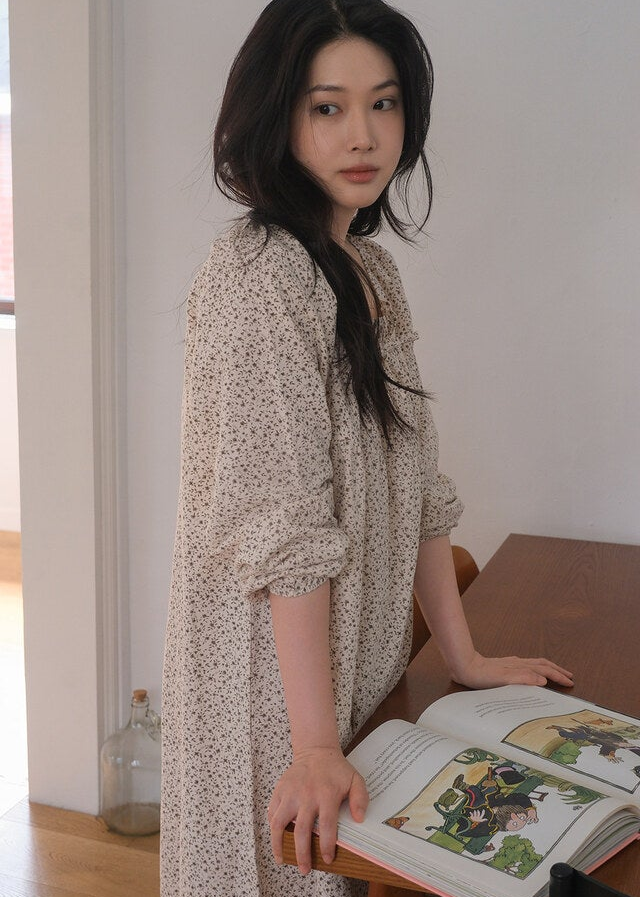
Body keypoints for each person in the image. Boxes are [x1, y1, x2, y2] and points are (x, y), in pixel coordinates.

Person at [161, 2, 574, 895]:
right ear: (277, 115)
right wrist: (313, 743)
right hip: (273, 691)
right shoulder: (257, 275)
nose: (363, 134)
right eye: (328, 107)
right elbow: (286, 533)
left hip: (355, 671)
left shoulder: (370, 268)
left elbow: (419, 483)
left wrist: (462, 656)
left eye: (383, 103)